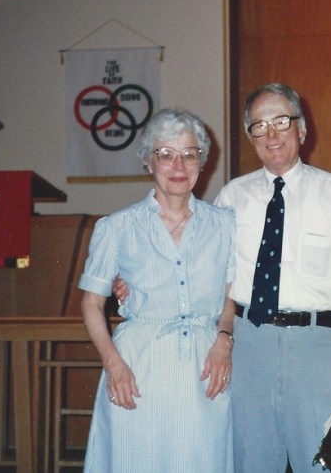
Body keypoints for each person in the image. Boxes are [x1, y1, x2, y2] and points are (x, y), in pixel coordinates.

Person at [213, 83, 331, 472]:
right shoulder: (230, 198)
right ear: (250, 137)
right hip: (249, 346)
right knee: (250, 464)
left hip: (317, 347)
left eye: (281, 121)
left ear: (302, 129)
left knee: (319, 465)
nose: (271, 134)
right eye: (259, 126)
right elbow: (208, 274)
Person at [78, 107, 236, 472]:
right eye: (165, 154)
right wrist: (113, 363)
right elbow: (91, 303)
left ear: (202, 163)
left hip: (205, 364)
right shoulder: (117, 227)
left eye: (189, 154)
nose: (178, 165)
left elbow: (232, 293)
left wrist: (224, 341)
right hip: (138, 366)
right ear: (149, 162)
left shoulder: (225, 224)